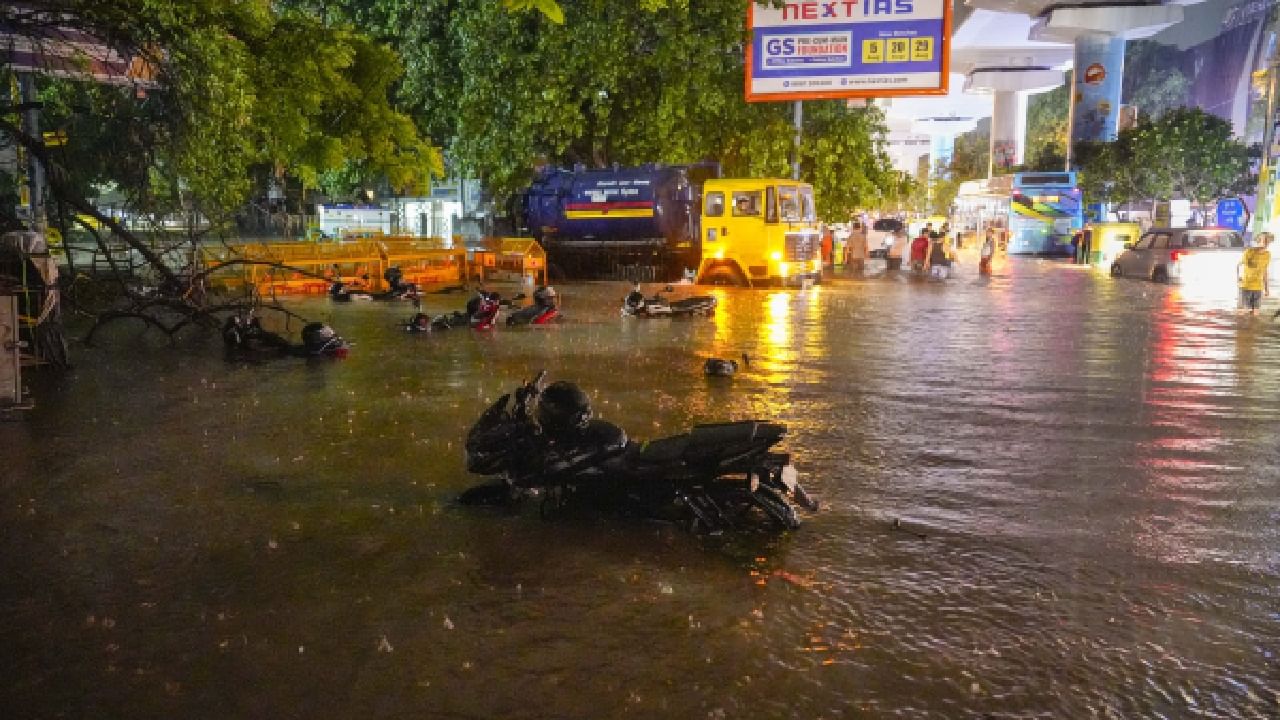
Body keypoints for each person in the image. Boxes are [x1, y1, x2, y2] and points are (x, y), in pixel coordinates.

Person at [1238, 232, 1272, 315]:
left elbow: (1265, 271)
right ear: (1258, 241)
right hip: (1246, 286)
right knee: (1243, 313)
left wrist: (1266, 288)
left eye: (1268, 241)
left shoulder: (1267, 254)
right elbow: (1240, 266)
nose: (1266, 243)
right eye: (1264, 240)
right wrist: (1238, 279)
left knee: (1255, 314)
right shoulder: (1249, 252)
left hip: (1258, 287)